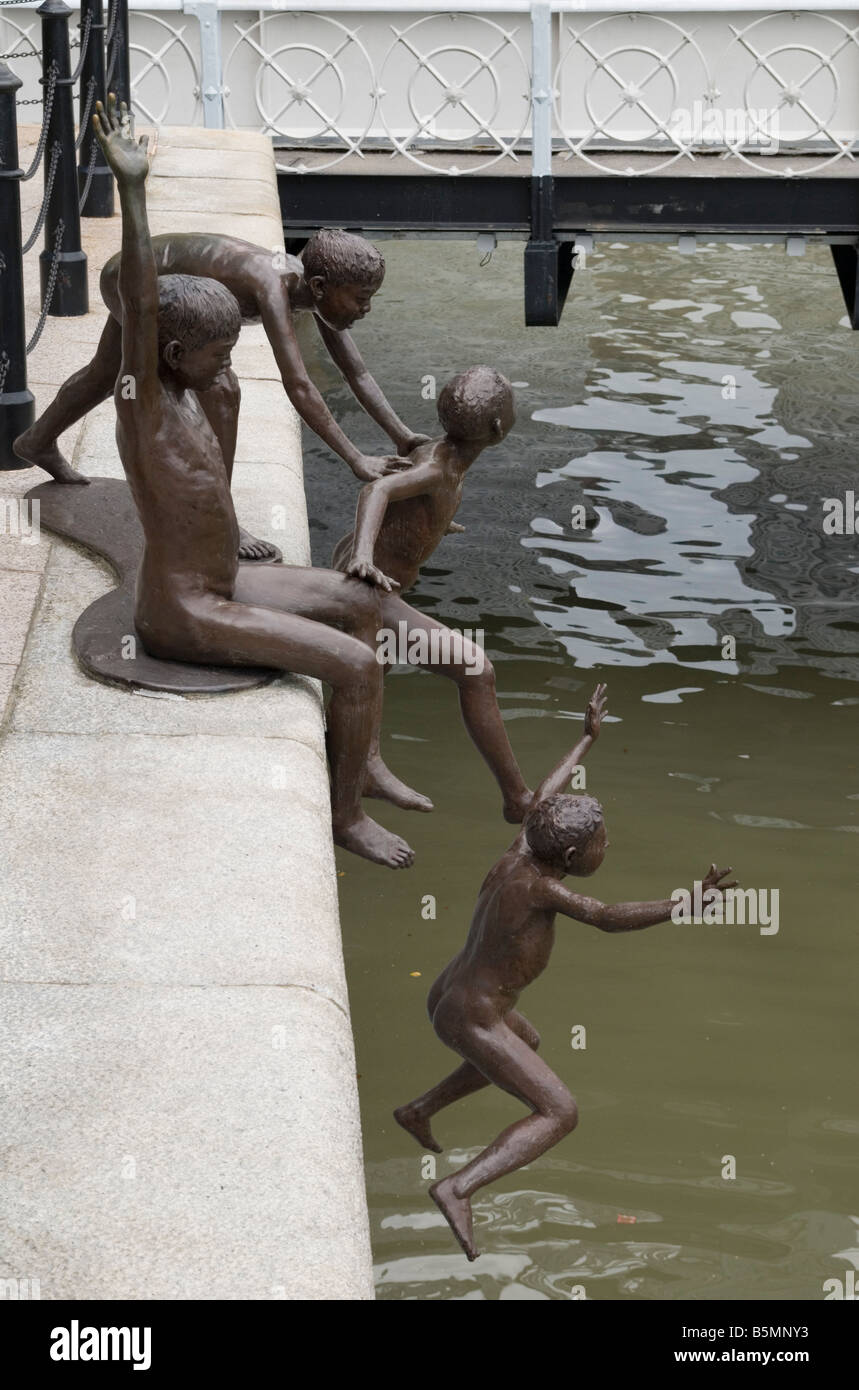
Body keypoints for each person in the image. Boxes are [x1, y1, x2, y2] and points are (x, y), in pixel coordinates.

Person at [87, 95, 414, 870]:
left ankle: (360, 752)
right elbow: (138, 303)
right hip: (183, 610)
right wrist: (133, 194)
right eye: (216, 354)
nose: (227, 367)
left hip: (225, 580)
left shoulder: (195, 398)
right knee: (357, 662)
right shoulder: (146, 406)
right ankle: (343, 819)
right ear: (169, 354)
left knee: (364, 603)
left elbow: (271, 367)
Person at [394, 682, 737, 1259]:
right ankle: (457, 1187)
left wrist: (584, 740)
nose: (610, 843)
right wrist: (684, 903)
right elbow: (605, 916)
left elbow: (540, 800)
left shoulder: (519, 853)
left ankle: (419, 1110)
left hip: (452, 995)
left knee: (527, 1038)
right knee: (559, 1112)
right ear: (576, 858)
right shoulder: (544, 889)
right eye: (604, 839)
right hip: (472, 1016)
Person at [14, 207, 426, 561]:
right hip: (137, 278)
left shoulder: (317, 286)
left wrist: (402, 435)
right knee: (223, 391)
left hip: (147, 271)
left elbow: (358, 372)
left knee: (102, 375)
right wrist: (355, 458)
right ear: (320, 287)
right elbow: (298, 384)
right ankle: (222, 520)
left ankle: (36, 441)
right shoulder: (274, 285)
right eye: (361, 299)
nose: (366, 309)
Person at [332, 366, 531, 822]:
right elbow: (377, 489)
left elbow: (408, 501)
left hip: (373, 586)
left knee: (374, 669)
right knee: (476, 671)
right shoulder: (437, 467)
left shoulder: (442, 457)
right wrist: (365, 556)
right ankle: (517, 797)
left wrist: (435, 524)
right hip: (368, 590)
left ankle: (365, 765)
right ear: (499, 428)